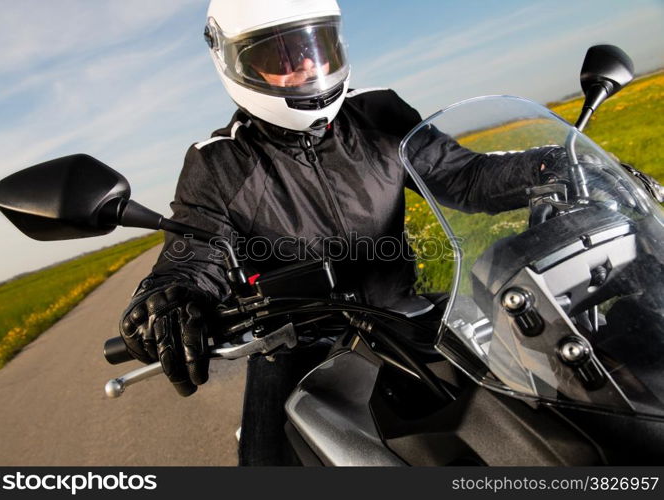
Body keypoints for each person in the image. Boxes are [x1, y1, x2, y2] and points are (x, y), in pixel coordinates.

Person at [119, 0, 569, 465]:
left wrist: (550, 166)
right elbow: (196, 249)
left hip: (410, 318)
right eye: (281, 57)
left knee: (544, 420)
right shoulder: (219, 162)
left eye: (317, 46)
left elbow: (465, 177)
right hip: (298, 347)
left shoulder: (380, 113)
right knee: (266, 466)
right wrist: (168, 297)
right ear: (235, 64)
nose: (308, 65)